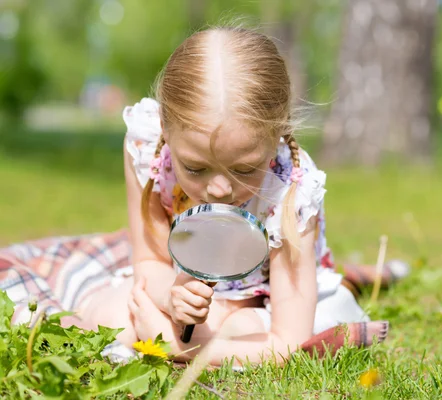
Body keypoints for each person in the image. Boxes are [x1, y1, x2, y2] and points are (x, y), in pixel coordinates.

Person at [0, 26, 409, 366]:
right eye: (195, 168)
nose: (219, 189)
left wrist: (191, 349)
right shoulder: (148, 148)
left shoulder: (291, 194)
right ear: (164, 128)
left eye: (245, 168)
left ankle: (360, 279)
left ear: (278, 135)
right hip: (184, 285)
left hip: (260, 303)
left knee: (251, 327)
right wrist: (172, 298)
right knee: (110, 314)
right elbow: (148, 260)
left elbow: (286, 339)